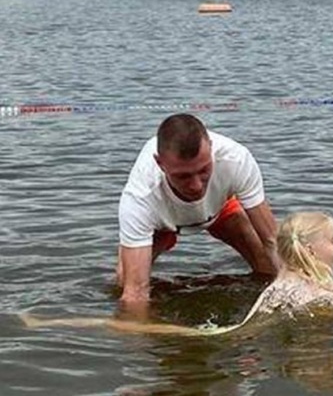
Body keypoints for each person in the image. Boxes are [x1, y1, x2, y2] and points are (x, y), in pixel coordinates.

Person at [23, 211, 333, 336]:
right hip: (237, 334)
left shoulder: (299, 280)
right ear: (310, 250)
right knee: (150, 330)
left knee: (157, 330)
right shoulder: (308, 292)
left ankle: (47, 320)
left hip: (256, 319)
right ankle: (49, 320)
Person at [116, 113, 278, 318]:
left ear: (211, 147)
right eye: (183, 176)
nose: (196, 186)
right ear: (159, 163)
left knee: (270, 265)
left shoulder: (236, 159)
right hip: (162, 223)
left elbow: (273, 240)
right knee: (125, 284)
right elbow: (134, 293)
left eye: (203, 170)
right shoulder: (140, 197)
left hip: (219, 209)